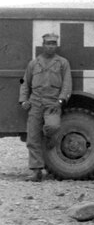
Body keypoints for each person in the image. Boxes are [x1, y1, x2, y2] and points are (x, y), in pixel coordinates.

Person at [18, 32, 72, 182]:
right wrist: (23, 100)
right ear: (43, 45)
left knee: (53, 127)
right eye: (48, 43)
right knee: (32, 137)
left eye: (53, 44)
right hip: (35, 103)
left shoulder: (62, 63)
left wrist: (60, 101)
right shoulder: (34, 63)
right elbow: (25, 83)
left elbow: (67, 85)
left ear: (56, 46)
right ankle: (36, 171)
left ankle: (49, 138)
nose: (50, 46)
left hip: (52, 103)